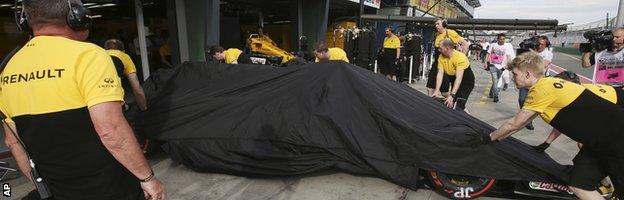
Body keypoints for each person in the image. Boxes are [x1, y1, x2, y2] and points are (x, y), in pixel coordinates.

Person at [0, 0, 165, 199]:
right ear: (77, 16)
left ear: (25, 21)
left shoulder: (9, 67)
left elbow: (13, 143)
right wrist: (148, 178)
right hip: (110, 186)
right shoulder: (89, 55)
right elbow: (110, 129)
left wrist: (42, 187)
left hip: (56, 189)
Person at [468, 52, 624, 200]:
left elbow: (515, 123)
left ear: (527, 74)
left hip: (616, 141)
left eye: (515, 74)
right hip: (598, 143)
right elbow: (520, 124)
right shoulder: (549, 84)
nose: (513, 77)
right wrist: (496, 139)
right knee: (579, 185)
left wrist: (488, 138)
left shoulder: (540, 90)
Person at [427, 18, 469, 97]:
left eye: (438, 24)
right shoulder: (437, 35)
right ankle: (430, 107)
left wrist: (463, 57)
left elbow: (465, 44)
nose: (436, 26)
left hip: (446, 65)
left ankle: (457, 105)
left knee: (444, 93)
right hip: (437, 63)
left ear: (444, 25)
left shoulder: (450, 33)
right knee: (430, 88)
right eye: (435, 24)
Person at [518, 36, 553, 130]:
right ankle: (526, 118)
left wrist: (533, 54)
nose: (540, 46)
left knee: (533, 102)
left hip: (539, 81)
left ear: (546, 45)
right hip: (527, 78)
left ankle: (527, 120)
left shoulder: (548, 53)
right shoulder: (530, 51)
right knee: (522, 100)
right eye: (539, 43)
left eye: (542, 44)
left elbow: (543, 65)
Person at [431, 39, 475, 110]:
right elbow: (440, 74)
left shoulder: (460, 57)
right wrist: (436, 91)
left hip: (466, 83)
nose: (438, 50)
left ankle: (467, 119)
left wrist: (452, 95)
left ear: (447, 49)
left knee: (458, 105)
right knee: (451, 104)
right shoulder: (441, 57)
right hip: (454, 81)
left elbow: (459, 78)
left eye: (440, 48)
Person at [104, 39, 148, 111]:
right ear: (123, 51)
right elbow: (137, 88)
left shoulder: (98, 55)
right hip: (114, 99)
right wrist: (144, 108)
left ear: (105, 49)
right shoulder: (124, 56)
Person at [484, 33, 515, 103]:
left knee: (496, 80)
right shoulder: (493, 45)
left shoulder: (506, 46)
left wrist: (508, 64)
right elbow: (488, 54)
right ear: (498, 39)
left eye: (504, 39)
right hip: (493, 65)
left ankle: (491, 93)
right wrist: (485, 63)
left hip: (502, 67)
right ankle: (496, 96)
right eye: (501, 39)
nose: (502, 40)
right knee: (495, 80)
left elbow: (508, 56)